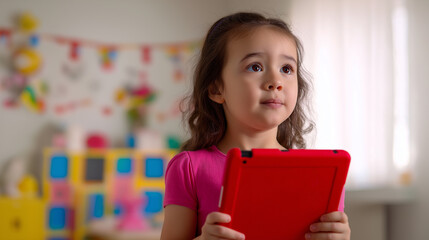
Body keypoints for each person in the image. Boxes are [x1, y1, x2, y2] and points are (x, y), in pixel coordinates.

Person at [161, 12, 351, 240]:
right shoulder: (189, 168)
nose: (276, 81)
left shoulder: (320, 175)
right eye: (255, 67)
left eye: (287, 69)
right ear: (216, 89)